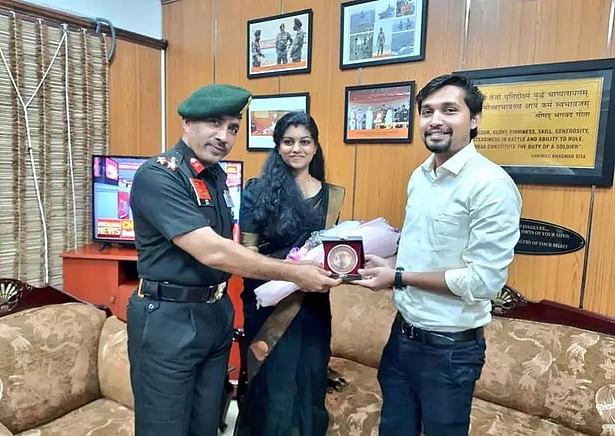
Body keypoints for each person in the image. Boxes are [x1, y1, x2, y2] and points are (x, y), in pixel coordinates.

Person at [126, 85, 341, 436]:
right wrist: (295, 272)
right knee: (164, 427)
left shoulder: (216, 177)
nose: (223, 136)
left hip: (215, 315)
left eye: (233, 128)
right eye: (214, 123)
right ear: (187, 123)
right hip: (169, 319)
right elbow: (213, 250)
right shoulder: (160, 175)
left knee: (206, 424)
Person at [354, 74, 522, 436]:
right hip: (402, 337)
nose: (435, 120)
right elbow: (425, 250)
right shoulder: (420, 176)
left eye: (449, 110)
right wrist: (391, 264)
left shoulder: (490, 185)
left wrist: (398, 277)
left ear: (474, 119)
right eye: (427, 111)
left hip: (449, 351)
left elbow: (483, 282)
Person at [235, 111, 346, 436]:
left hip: (312, 309)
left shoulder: (331, 196)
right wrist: (292, 273)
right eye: (288, 141)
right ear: (278, 146)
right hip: (268, 307)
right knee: (272, 389)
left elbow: (330, 252)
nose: (296, 148)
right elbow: (246, 257)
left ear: (315, 147)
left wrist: (340, 270)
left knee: (309, 383)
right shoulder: (257, 192)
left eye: (304, 142)